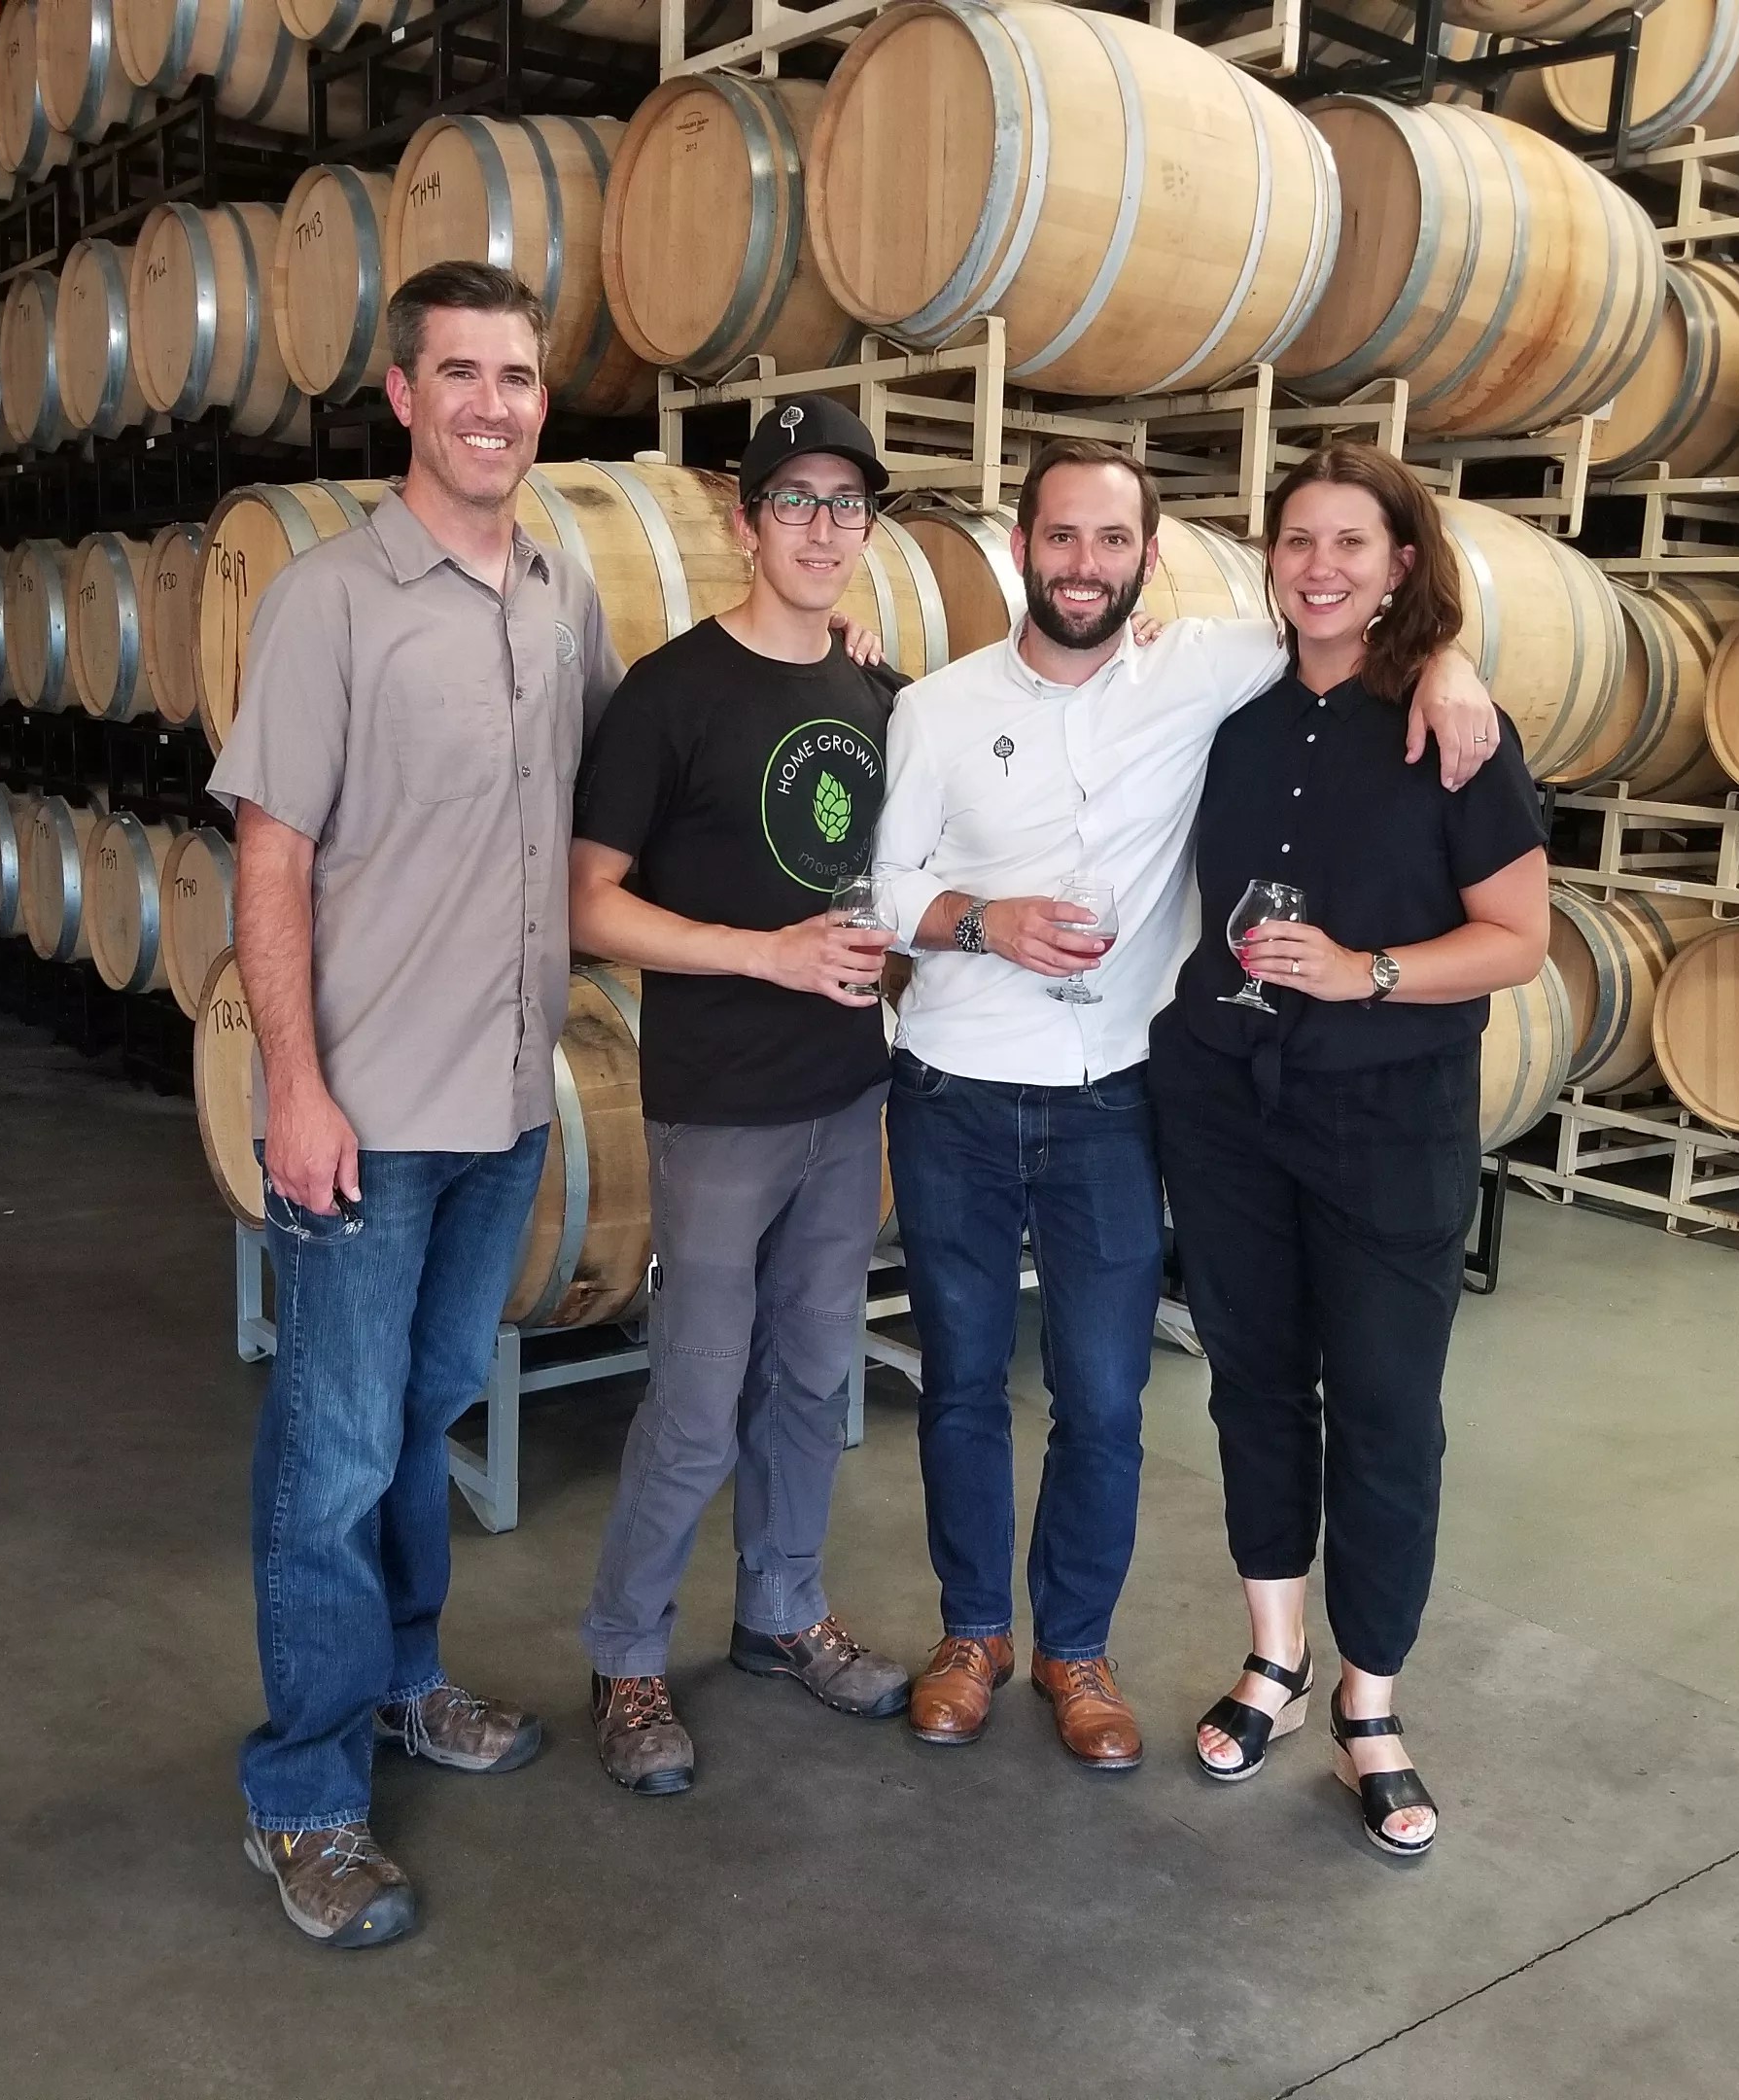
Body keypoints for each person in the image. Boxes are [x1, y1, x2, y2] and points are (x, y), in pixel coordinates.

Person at [867, 438, 1503, 1771]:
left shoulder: (1210, 669)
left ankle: (1077, 1649)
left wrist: (1451, 662)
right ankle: (973, 1635)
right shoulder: (935, 706)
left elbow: (1358, 622)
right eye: (1060, 536)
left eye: (1112, 540)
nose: (1083, 563)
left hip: (1113, 1096)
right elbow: (885, 888)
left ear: (1149, 558)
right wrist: (985, 920)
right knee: (964, 1383)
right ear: (1020, 548)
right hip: (954, 1090)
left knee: (1105, 1398)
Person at [208, 262, 618, 1949]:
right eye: (461, 374)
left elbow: (624, 787)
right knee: (332, 1453)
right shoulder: (330, 601)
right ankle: (302, 1794)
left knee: (424, 1413)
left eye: (516, 377)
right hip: (366, 1116)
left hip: (507, 1104)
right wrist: (294, 1089)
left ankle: (400, 1682)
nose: (492, 406)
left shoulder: (562, 587)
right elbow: (270, 856)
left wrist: (837, 660)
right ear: (401, 395)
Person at [1149, 442, 1548, 1858]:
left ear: (1399, 566)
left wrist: (1366, 972)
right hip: (1228, 1102)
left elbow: (1518, 938)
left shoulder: (1455, 729)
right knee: (1253, 1384)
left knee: (1384, 1410)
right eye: (1297, 540)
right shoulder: (1234, 717)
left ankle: (1370, 1704)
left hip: (1389, 1115)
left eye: (1350, 544)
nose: (1319, 567)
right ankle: (1276, 1655)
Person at [565, 400, 918, 1796]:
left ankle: (781, 1610)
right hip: (717, 1107)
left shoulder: (878, 695)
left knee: (813, 1379)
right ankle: (625, 1654)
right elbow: (590, 903)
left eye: (847, 504)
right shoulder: (671, 694)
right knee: (699, 1399)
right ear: (744, 519)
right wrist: (763, 955)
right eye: (795, 501)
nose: (823, 529)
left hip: (845, 1094)